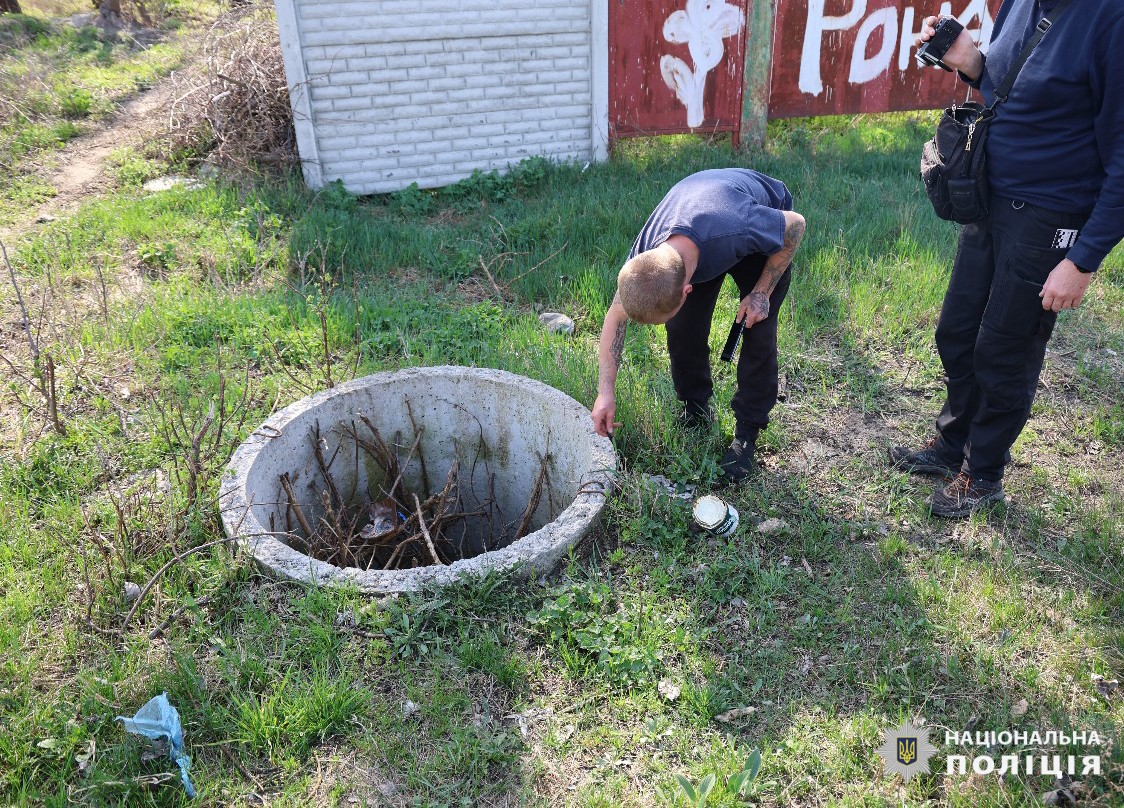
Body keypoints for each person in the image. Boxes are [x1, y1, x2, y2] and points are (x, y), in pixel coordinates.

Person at [894, 0, 1124, 517]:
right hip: (992, 197)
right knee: (956, 331)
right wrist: (969, 61)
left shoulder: (1111, 21)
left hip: (1051, 215)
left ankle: (984, 472)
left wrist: (1083, 260)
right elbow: (1008, 88)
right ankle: (953, 443)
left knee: (1005, 349)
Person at [591, 168, 806, 483]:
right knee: (682, 329)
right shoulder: (645, 261)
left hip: (764, 234)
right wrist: (604, 393)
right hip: (702, 230)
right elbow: (615, 317)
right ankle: (695, 408)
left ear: (685, 291)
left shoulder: (739, 227)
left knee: (757, 329)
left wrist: (760, 293)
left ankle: (747, 432)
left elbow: (796, 224)